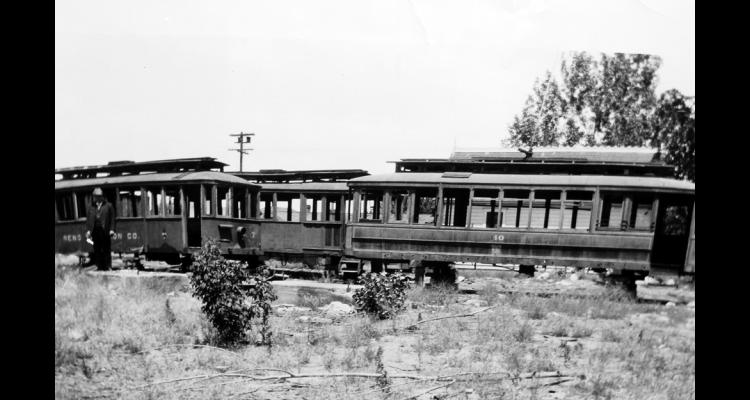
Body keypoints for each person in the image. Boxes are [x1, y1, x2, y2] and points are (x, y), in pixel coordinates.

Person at [85, 187, 116, 270]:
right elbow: (88, 220)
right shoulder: (91, 207)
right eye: (95, 196)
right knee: (97, 249)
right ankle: (99, 266)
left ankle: (108, 266)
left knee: (106, 249)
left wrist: (112, 229)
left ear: (102, 196)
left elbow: (112, 219)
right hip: (95, 230)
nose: (96, 198)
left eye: (98, 196)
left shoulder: (109, 205)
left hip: (105, 230)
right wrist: (88, 230)